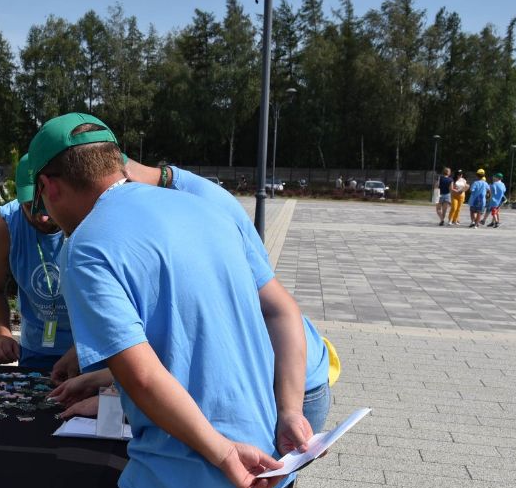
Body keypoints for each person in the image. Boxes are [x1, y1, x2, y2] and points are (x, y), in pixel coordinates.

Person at [28, 113, 310, 488]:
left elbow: (145, 376)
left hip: (192, 484)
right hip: (270, 463)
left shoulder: (90, 246)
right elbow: (281, 311)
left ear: (50, 186)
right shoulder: (205, 209)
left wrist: (220, 452)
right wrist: (288, 410)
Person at [50, 159, 334, 435]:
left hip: (285, 381)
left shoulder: (191, 206)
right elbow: (178, 347)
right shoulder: (176, 206)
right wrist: (105, 380)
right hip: (268, 385)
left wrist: (114, 402)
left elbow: (189, 356)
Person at [0, 153, 76, 375]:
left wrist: (85, 348)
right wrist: (2, 335)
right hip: (36, 348)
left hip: (90, 348)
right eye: (30, 206)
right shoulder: (7, 225)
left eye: (47, 206)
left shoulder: (88, 217)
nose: (41, 217)